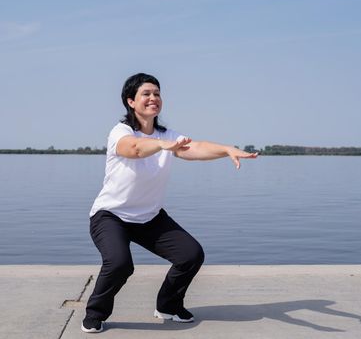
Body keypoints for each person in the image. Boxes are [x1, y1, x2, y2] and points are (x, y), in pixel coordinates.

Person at [81, 73, 258, 333]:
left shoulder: (168, 136)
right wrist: (163, 144)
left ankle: (168, 305)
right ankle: (95, 314)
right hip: (111, 216)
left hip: (149, 217)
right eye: (146, 94)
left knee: (191, 255)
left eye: (157, 93)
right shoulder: (121, 132)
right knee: (119, 264)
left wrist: (226, 149)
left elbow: (195, 148)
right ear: (131, 101)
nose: (153, 98)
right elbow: (135, 149)